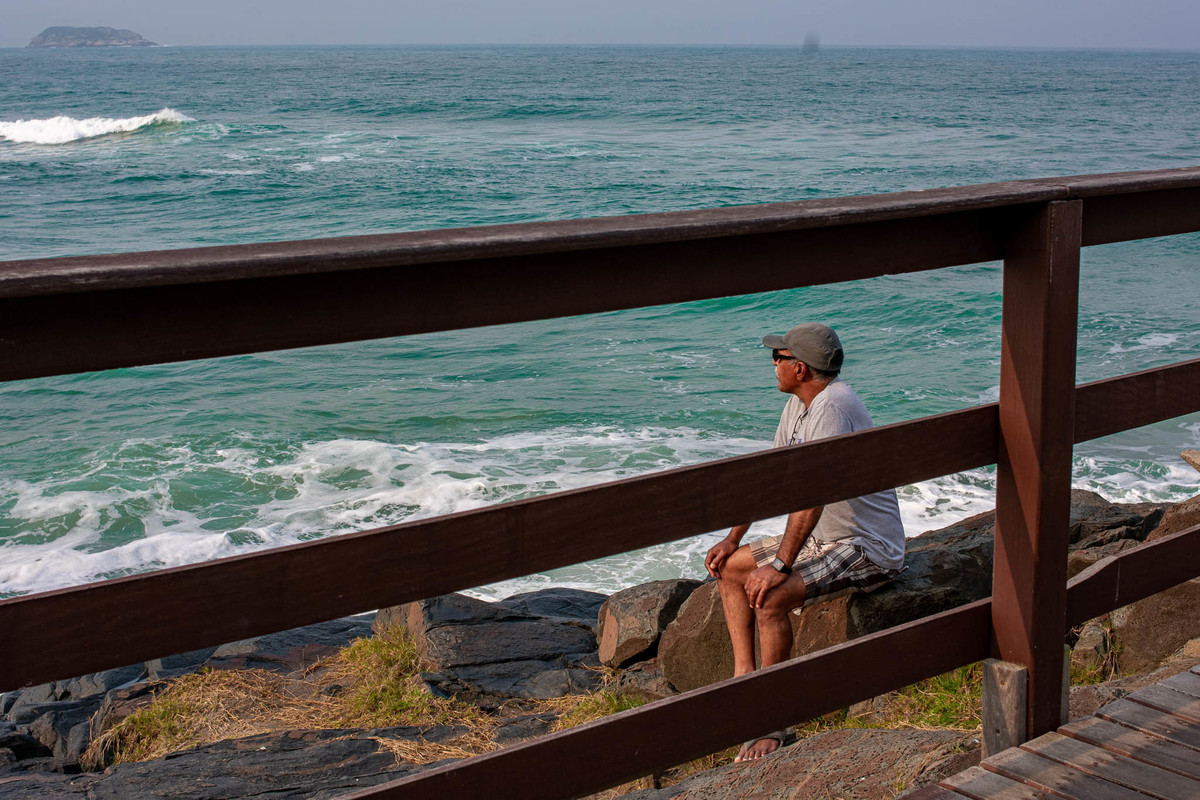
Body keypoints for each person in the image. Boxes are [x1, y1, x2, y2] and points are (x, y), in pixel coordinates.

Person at [703, 322, 906, 762]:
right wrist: (732, 538)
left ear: (798, 367)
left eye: (777, 359)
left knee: (771, 595)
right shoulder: (799, 405)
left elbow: (813, 496)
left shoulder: (834, 405)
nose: (771, 365)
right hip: (825, 538)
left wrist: (778, 565)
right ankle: (745, 679)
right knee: (731, 568)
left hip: (864, 546)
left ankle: (773, 720)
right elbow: (771, 479)